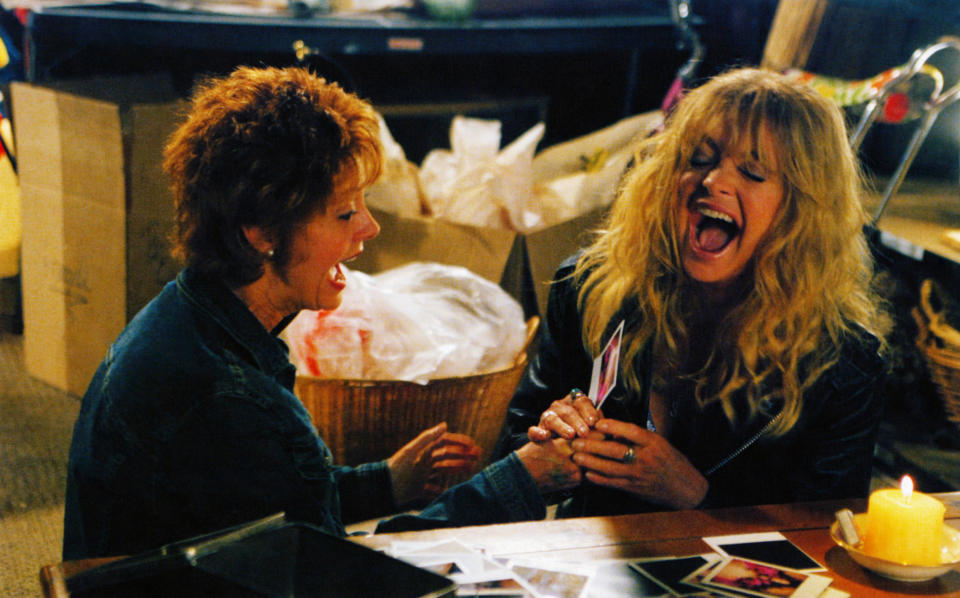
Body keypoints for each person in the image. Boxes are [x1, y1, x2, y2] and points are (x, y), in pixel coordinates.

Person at [63, 66, 580, 560]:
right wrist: (519, 481)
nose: (370, 228)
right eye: (345, 212)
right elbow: (349, 573)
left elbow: (268, 499)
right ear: (260, 232)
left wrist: (387, 482)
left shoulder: (190, 314)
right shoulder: (234, 402)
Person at [499, 67, 891, 517]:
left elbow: (827, 535)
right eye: (699, 159)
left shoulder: (844, 367)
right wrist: (548, 447)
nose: (713, 182)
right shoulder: (589, 291)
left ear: (802, 210)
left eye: (752, 172)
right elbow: (514, 448)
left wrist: (696, 496)